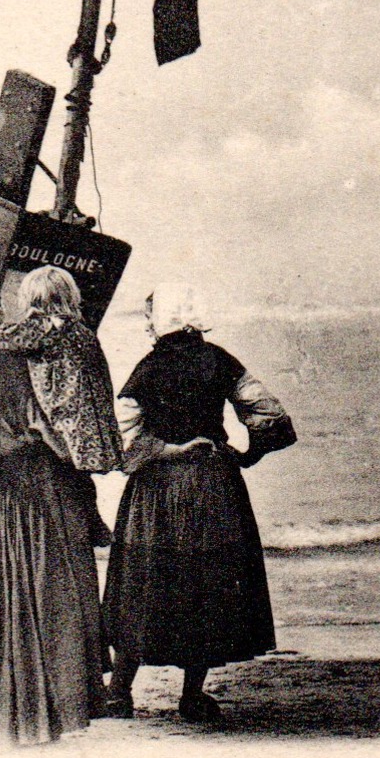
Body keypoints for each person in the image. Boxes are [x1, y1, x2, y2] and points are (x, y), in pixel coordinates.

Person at [0, 273, 117, 747]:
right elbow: (45, 423)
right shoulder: (17, 357)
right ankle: (39, 717)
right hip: (32, 490)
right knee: (40, 598)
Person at [102, 283, 297, 724]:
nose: (148, 323)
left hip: (158, 491)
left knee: (144, 582)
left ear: (166, 319)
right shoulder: (220, 360)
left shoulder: (148, 367)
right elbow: (271, 414)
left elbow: (118, 439)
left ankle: (119, 694)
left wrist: (162, 450)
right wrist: (246, 454)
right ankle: (192, 696)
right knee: (204, 586)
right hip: (213, 485)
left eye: (151, 315)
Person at [0, 266, 125, 718]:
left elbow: (2, 341)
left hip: (59, 441)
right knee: (78, 507)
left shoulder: (43, 328)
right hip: (87, 440)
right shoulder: (81, 331)